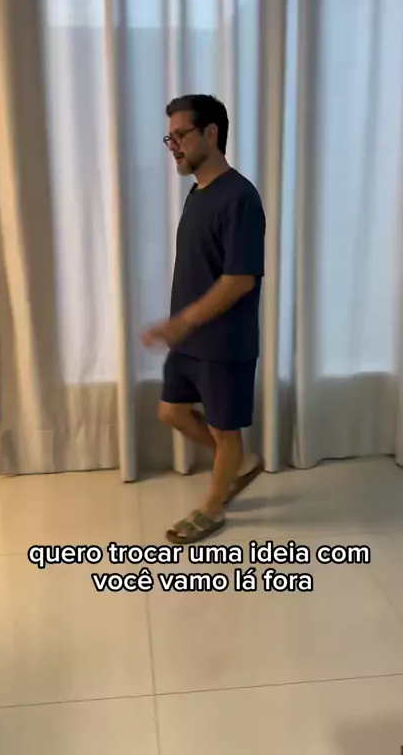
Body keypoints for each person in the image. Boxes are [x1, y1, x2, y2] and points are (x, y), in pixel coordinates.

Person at [142, 94, 265, 543]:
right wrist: (181, 326)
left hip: (224, 341)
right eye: (169, 138)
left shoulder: (240, 197)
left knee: (224, 429)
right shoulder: (198, 193)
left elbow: (240, 280)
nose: (173, 145)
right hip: (190, 338)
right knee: (171, 411)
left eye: (181, 135)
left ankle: (214, 507)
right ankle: (237, 465)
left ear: (211, 134)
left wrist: (184, 321)